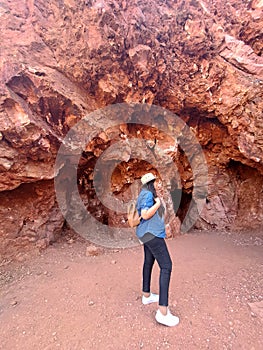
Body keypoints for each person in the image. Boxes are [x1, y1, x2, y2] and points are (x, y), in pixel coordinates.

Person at [136, 172, 179, 327]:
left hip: (145, 234)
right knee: (166, 266)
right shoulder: (148, 195)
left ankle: (146, 295)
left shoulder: (142, 194)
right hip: (152, 235)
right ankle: (162, 312)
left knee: (148, 261)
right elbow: (145, 214)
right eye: (154, 182)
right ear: (152, 183)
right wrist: (158, 204)